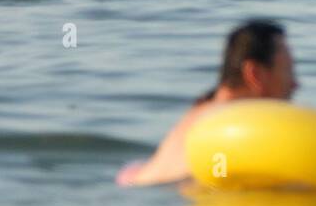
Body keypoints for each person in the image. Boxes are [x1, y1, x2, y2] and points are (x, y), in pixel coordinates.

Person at [116, 20, 298, 186]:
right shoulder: (231, 125)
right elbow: (218, 177)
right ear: (255, 74)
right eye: (288, 71)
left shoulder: (200, 113)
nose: (295, 84)